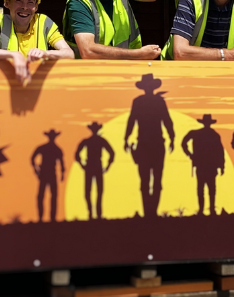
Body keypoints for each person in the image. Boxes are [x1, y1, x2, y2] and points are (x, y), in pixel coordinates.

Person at [124, 74, 175, 217]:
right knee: (150, 179)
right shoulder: (153, 101)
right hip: (152, 143)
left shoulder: (140, 102)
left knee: (149, 179)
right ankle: (150, 212)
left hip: (149, 143)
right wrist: (171, 138)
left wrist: (126, 138)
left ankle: (150, 212)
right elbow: (166, 121)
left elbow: (166, 120)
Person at [181, 114, 225, 216]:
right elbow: (220, 152)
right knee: (210, 189)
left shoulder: (197, 134)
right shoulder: (214, 135)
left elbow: (184, 142)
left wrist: (190, 154)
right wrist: (222, 166)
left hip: (203, 165)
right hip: (209, 166)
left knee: (203, 188)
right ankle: (210, 210)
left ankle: (204, 210)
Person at [75, 121, 115, 220]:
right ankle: (96, 214)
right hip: (96, 166)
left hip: (91, 166)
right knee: (97, 191)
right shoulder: (100, 141)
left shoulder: (87, 141)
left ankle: (93, 213)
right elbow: (112, 153)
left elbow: (76, 154)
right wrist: (107, 166)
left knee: (91, 191)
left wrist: (82, 165)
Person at [31, 129, 65, 223]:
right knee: (45, 196)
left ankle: (46, 218)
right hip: (48, 174)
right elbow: (61, 163)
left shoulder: (44, 148)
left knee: (46, 196)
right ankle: (46, 218)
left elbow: (32, 158)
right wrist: (36, 170)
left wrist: (36, 169)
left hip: (46, 174)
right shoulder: (57, 149)